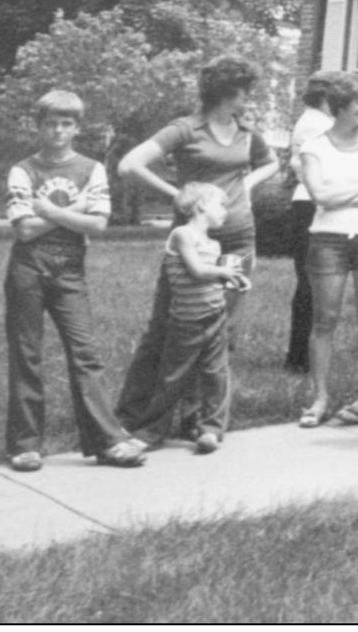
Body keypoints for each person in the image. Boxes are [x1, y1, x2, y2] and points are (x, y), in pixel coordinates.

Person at [117, 54, 277, 437]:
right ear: (226, 92)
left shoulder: (246, 132)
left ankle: (198, 418)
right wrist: (180, 195)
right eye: (244, 91)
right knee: (166, 326)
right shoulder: (186, 129)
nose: (248, 98)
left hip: (237, 237)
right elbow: (130, 165)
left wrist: (245, 188)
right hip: (193, 240)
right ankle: (133, 414)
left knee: (219, 330)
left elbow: (271, 163)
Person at [2, 89, 145, 471]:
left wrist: (47, 208)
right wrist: (72, 208)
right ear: (39, 126)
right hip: (27, 270)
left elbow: (98, 224)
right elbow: (25, 231)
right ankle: (25, 444)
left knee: (85, 353)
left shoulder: (91, 169)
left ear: (77, 128)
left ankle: (107, 440)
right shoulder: (23, 169)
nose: (58, 131)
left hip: (70, 270)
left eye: (66, 124)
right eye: (51, 124)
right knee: (27, 354)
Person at [295, 72, 358, 428]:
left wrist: (343, 195)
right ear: (340, 108)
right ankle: (320, 397)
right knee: (325, 319)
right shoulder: (314, 148)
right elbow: (318, 196)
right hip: (328, 240)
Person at [126, 184, 249, 453]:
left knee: (215, 376)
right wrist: (223, 273)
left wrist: (233, 281)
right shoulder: (182, 234)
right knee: (172, 378)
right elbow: (195, 270)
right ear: (201, 205)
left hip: (214, 317)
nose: (225, 212)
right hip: (185, 321)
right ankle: (150, 431)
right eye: (221, 205)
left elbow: (211, 281)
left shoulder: (214, 244)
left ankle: (210, 430)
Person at [284, 71, 339, 373]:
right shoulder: (316, 125)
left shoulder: (317, 121)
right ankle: (299, 355)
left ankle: (303, 353)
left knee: (312, 281)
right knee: (310, 281)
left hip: (312, 201)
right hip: (310, 203)